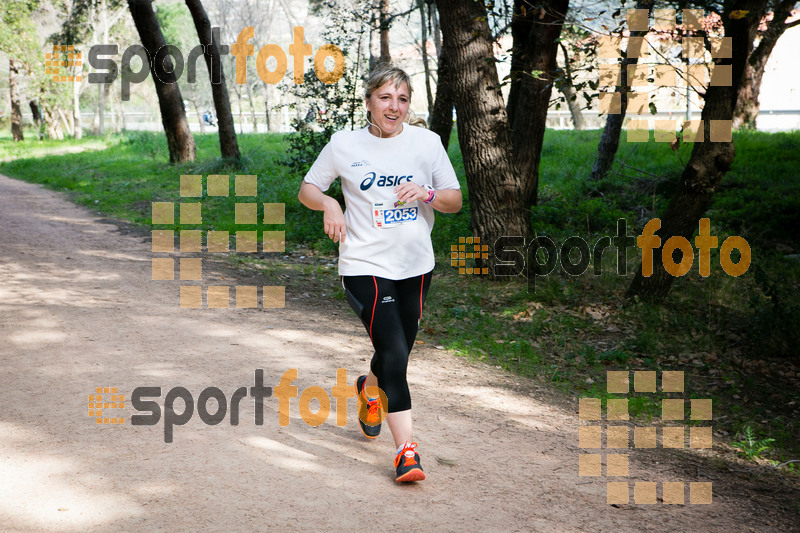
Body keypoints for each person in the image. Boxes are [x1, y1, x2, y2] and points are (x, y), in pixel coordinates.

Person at [298, 65, 462, 482]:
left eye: (403, 99)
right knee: (394, 355)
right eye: (386, 98)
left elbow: (454, 200)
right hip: (364, 264)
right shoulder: (343, 145)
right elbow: (308, 190)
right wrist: (331, 204)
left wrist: (427, 193)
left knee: (398, 352)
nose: (395, 107)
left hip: (415, 265)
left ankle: (370, 389)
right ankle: (407, 452)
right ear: (369, 100)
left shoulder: (427, 143)